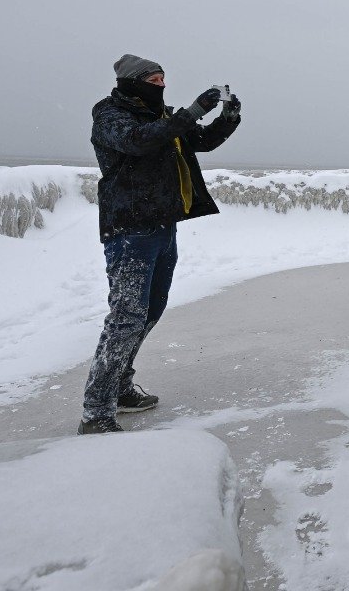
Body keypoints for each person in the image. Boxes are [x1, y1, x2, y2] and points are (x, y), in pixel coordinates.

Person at [78, 53, 242, 435]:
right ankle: (96, 411)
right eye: (153, 81)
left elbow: (201, 141)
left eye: (162, 79)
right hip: (129, 229)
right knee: (126, 316)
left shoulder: (162, 117)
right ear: (132, 82)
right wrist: (192, 110)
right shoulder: (110, 115)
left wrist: (227, 117)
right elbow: (138, 143)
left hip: (162, 226)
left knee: (150, 311)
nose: (160, 86)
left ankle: (120, 387)